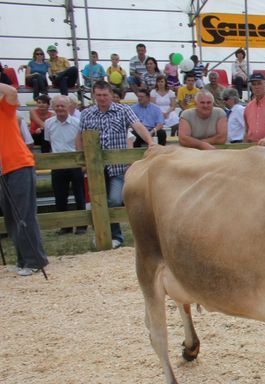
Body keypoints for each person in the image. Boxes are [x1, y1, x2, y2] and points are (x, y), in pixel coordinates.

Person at [77, 80, 155, 249]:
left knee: (113, 200)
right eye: (98, 95)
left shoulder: (123, 110)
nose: (102, 98)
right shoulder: (87, 114)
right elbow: (81, 136)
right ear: (94, 95)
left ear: (111, 94)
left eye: (105, 95)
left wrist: (150, 141)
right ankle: (103, 235)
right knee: (98, 202)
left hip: (118, 166)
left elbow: (137, 126)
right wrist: (81, 159)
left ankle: (116, 236)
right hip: (96, 168)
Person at [0, 82, 49, 276]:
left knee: (23, 214)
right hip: (3, 169)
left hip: (19, 164)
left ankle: (34, 260)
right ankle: (23, 259)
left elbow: (12, 92)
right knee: (11, 218)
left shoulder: (4, 108)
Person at [44, 95, 85, 234]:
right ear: (53, 107)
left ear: (69, 107)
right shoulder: (48, 123)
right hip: (57, 163)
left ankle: (82, 225)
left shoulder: (77, 123)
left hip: (74, 162)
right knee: (60, 196)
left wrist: (82, 163)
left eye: (63, 106)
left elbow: (82, 143)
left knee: (79, 194)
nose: (60, 108)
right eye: (57, 106)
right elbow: (49, 142)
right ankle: (65, 226)